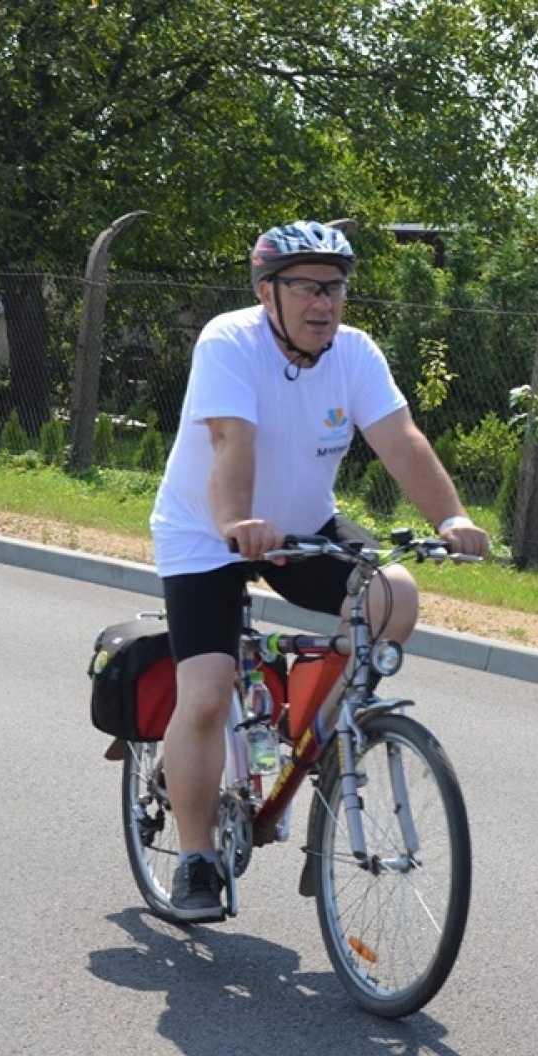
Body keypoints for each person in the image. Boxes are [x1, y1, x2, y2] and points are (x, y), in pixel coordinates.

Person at [149, 221, 490, 921]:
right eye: (306, 287)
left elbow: (401, 442)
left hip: (304, 527)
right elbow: (230, 442)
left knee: (393, 596)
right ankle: (196, 860)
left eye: (334, 287)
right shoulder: (228, 341)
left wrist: (451, 518)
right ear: (266, 292)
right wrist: (238, 522)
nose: (323, 302)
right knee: (206, 694)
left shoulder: (354, 353)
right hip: (207, 533)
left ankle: (313, 739)